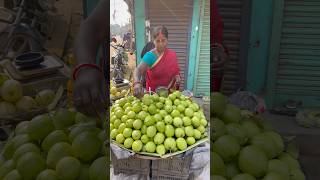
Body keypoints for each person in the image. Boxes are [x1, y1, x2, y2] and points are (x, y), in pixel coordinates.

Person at [133, 25, 181, 98]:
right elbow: (138, 70)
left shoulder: (172, 55)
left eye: (163, 40)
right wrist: (136, 83)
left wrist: (177, 77)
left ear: (167, 40)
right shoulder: (150, 56)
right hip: (153, 96)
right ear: (153, 41)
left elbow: (176, 72)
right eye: (158, 41)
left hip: (169, 95)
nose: (161, 44)